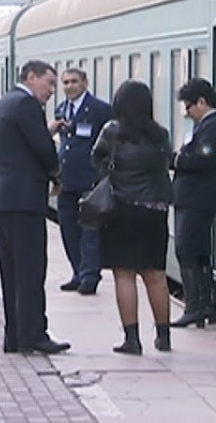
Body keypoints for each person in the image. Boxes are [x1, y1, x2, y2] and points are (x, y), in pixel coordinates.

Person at [0, 60, 69, 355]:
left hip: (3, 200)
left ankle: (16, 336)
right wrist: (57, 175)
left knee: (12, 273)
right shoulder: (26, 104)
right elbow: (43, 148)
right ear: (31, 77)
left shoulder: (5, 103)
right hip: (23, 201)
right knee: (31, 271)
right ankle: (34, 336)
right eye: (49, 83)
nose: (52, 90)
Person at [91, 80, 175, 355]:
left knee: (124, 275)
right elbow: (166, 163)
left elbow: (97, 159)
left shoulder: (112, 132)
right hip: (154, 212)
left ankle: (132, 339)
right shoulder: (161, 135)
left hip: (121, 210)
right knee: (156, 276)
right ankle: (163, 337)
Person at [170, 78, 216, 328]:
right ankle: (203, 305)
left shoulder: (213, 128)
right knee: (196, 251)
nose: (187, 112)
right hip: (192, 199)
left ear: (202, 102)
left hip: (197, 200)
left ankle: (195, 306)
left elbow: (204, 159)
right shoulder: (204, 127)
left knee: (187, 249)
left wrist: (176, 160)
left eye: (189, 106)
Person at [52, 69, 113, 296]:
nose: (69, 86)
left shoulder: (100, 110)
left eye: (74, 82)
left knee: (89, 230)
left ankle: (89, 275)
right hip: (66, 179)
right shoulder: (61, 109)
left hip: (90, 179)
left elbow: (109, 144)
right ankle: (77, 271)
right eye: (66, 82)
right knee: (68, 229)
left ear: (85, 83)